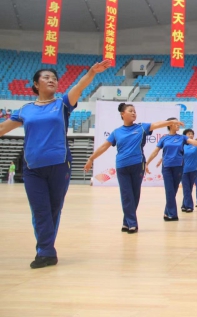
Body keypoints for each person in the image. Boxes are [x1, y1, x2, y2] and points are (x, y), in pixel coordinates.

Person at [0, 61, 111, 268]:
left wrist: (92, 73)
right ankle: (45, 251)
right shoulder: (25, 110)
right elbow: (3, 128)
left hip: (60, 165)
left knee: (53, 209)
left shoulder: (62, 104)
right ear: (35, 84)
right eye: (46, 77)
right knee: (40, 210)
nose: (51, 80)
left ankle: (46, 249)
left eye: (54, 78)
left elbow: (79, 87)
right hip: (32, 169)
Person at [84, 103, 184, 233]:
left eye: (135, 111)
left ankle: (127, 222)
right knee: (126, 195)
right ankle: (132, 223)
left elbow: (157, 124)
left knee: (135, 195)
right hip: (122, 167)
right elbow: (104, 146)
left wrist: (170, 122)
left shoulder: (142, 127)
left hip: (137, 165)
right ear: (122, 114)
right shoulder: (116, 132)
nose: (133, 113)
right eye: (130, 111)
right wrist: (91, 158)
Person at [145, 118, 197, 220]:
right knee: (169, 190)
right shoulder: (164, 138)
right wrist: (147, 163)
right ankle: (172, 214)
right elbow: (156, 151)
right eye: (176, 123)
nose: (178, 125)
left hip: (178, 167)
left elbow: (194, 142)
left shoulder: (182, 138)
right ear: (169, 125)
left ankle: (167, 212)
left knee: (173, 191)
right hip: (167, 167)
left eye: (179, 123)